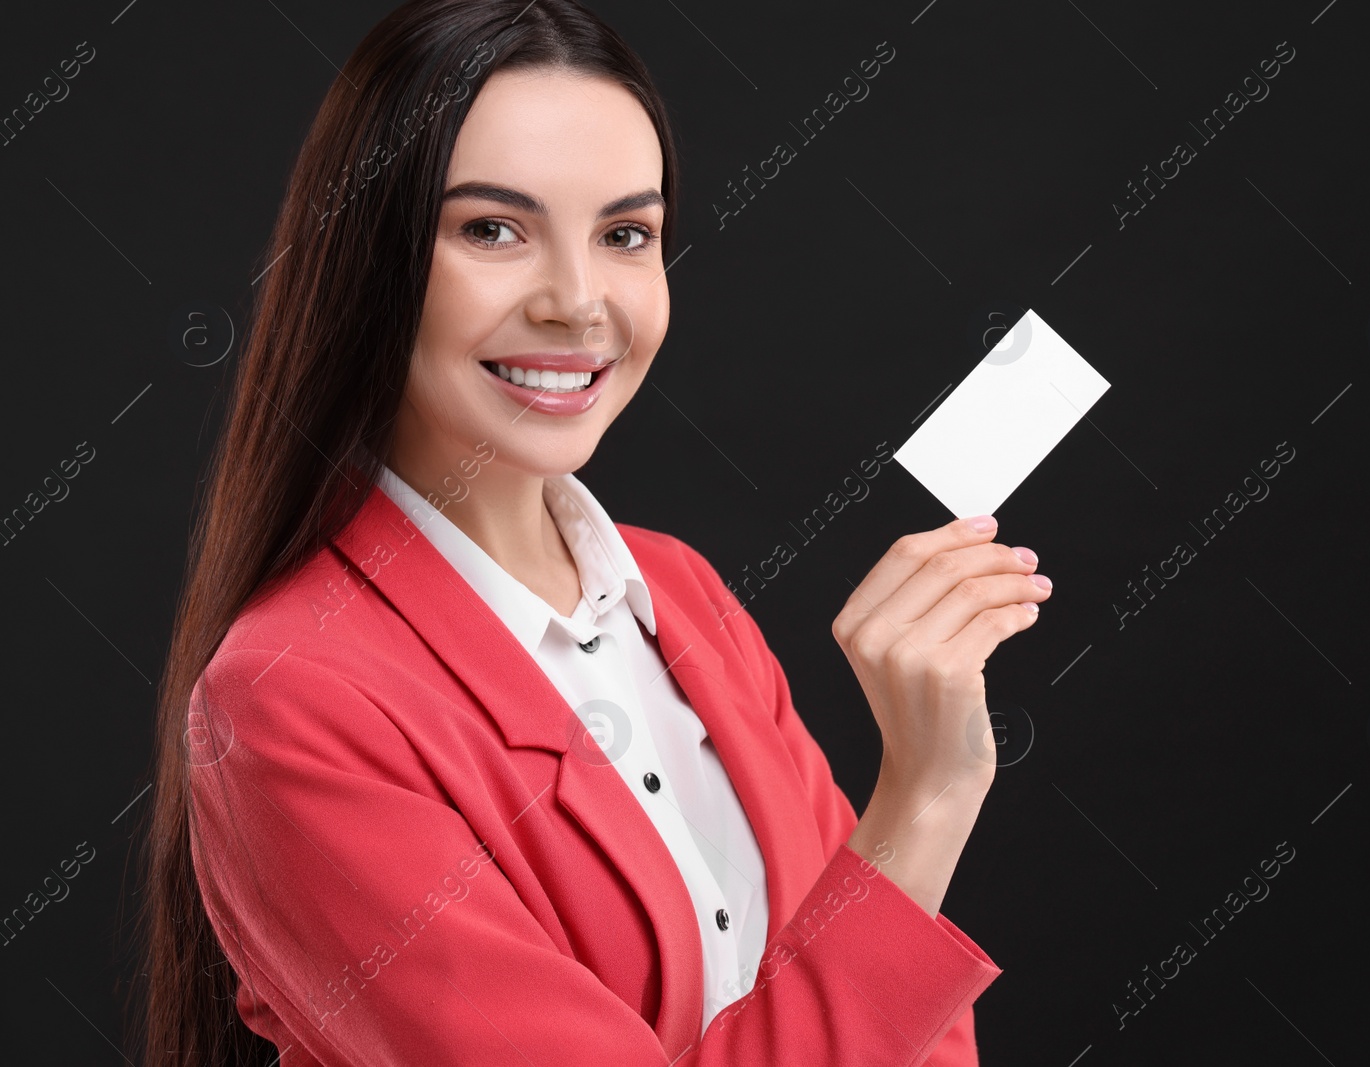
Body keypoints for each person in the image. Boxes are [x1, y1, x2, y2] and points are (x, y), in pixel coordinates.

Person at [136, 2, 1052, 1064]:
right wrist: (925, 795)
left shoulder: (680, 590)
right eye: (492, 228)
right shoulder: (292, 699)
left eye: (625, 234)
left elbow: (904, 1024)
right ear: (367, 259)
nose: (577, 303)